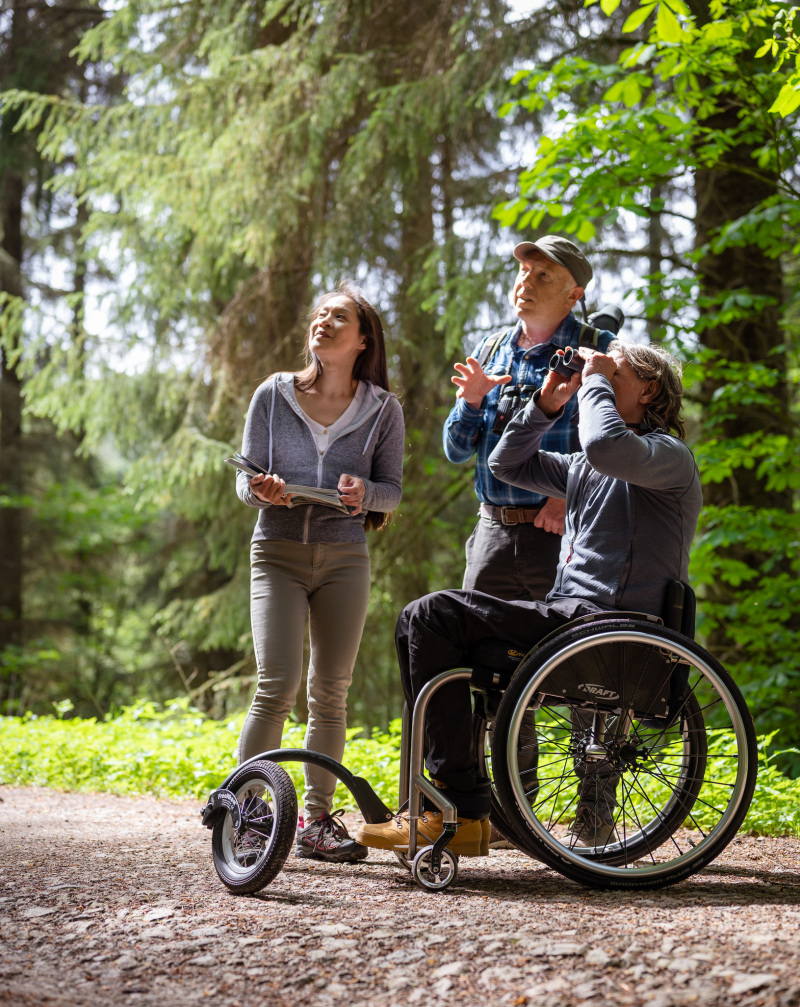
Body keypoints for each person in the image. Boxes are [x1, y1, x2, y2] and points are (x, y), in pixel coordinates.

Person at [356, 340, 702, 856]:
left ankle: (455, 808)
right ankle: (458, 810)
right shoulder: (586, 465)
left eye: (614, 372)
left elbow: (609, 447)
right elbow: (504, 463)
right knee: (420, 620)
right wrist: (545, 405)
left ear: (648, 389)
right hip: (569, 620)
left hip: (609, 628)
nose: (594, 376)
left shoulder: (668, 458)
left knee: (431, 615)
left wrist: (596, 379)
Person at [443, 236, 616, 846]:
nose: (526, 280)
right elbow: (456, 449)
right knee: (486, 670)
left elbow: (618, 441)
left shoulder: (597, 350)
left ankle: (595, 814)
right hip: (492, 530)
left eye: (544, 274)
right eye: (523, 270)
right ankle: (514, 811)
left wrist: (567, 492)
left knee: (583, 671)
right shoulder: (491, 348)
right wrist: (469, 405)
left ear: (574, 291)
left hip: (564, 534)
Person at [236, 281, 405, 863]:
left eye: (340, 318)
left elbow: (392, 492)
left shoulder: (383, 409)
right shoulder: (273, 394)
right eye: (321, 315)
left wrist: (365, 494)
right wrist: (261, 488)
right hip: (277, 554)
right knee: (276, 687)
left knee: (331, 693)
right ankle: (249, 813)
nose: (325, 323)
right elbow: (245, 477)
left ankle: (316, 821)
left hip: (344, 559)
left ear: (362, 340)